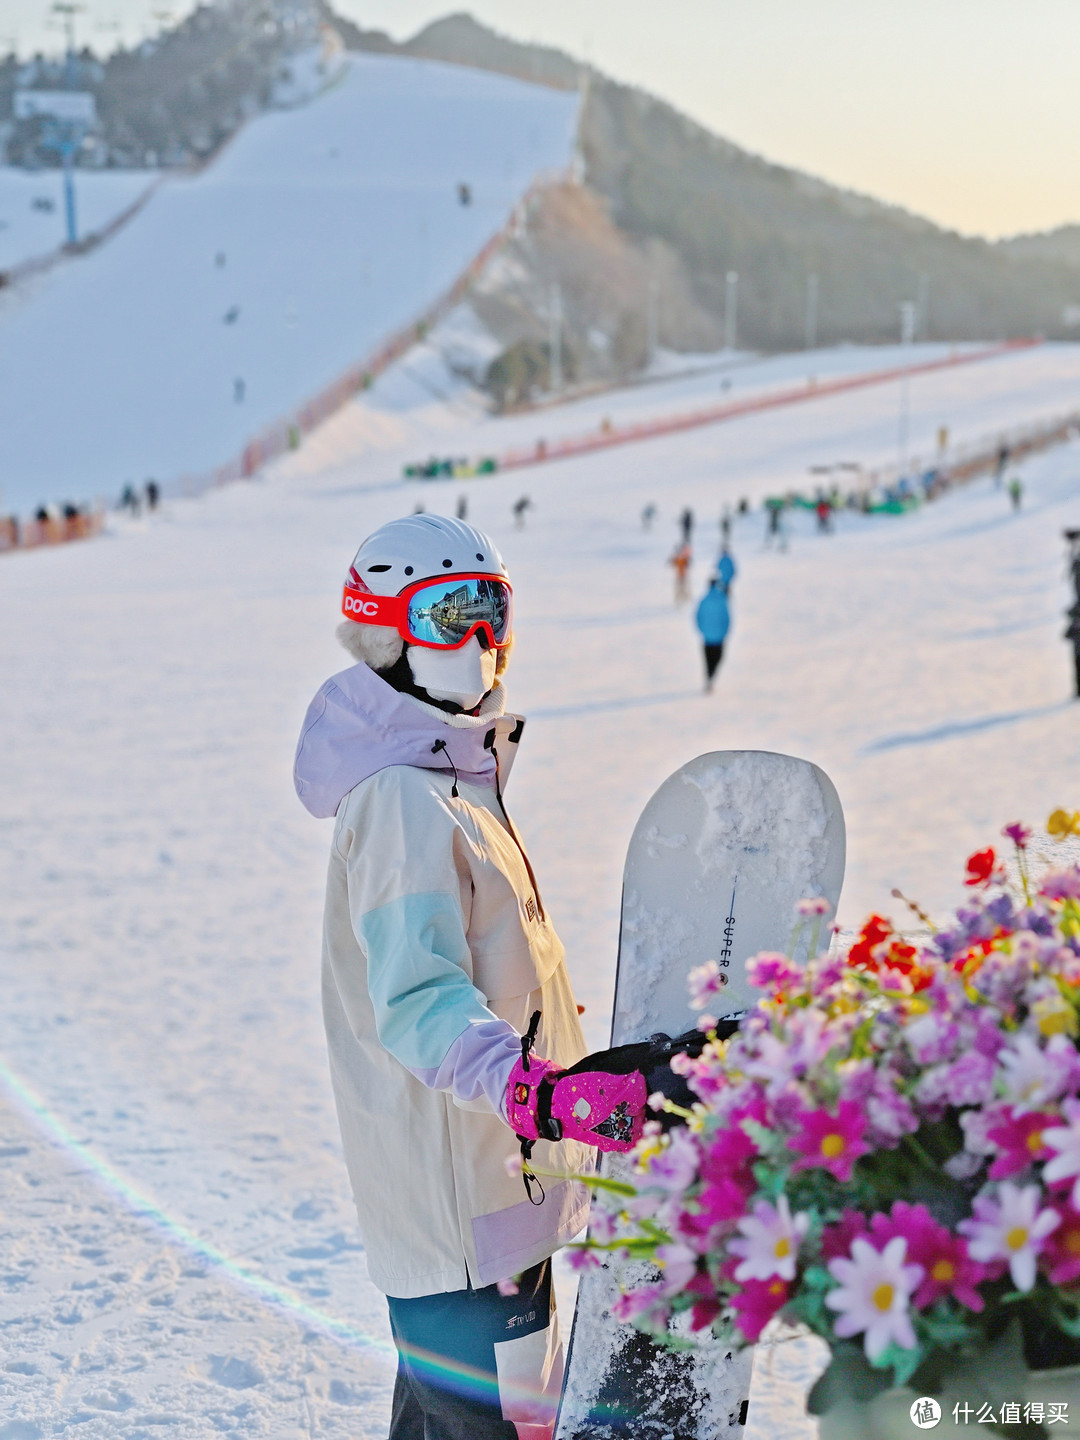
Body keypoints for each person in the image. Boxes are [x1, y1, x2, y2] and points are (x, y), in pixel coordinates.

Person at [294, 515, 647, 1440]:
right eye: (451, 612)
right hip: (465, 1213)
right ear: (386, 632)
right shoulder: (404, 797)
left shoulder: (449, 774)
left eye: (493, 610)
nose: (481, 640)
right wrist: (535, 1094)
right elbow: (420, 1003)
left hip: (494, 1185)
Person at [695, 576, 731, 692]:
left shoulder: (703, 599)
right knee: (718, 658)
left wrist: (702, 631)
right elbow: (727, 619)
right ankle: (711, 678)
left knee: (708, 660)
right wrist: (725, 632)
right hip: (719, 637)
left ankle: (709, 679)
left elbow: (698, 617)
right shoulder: (722, 599)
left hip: (707, 637)